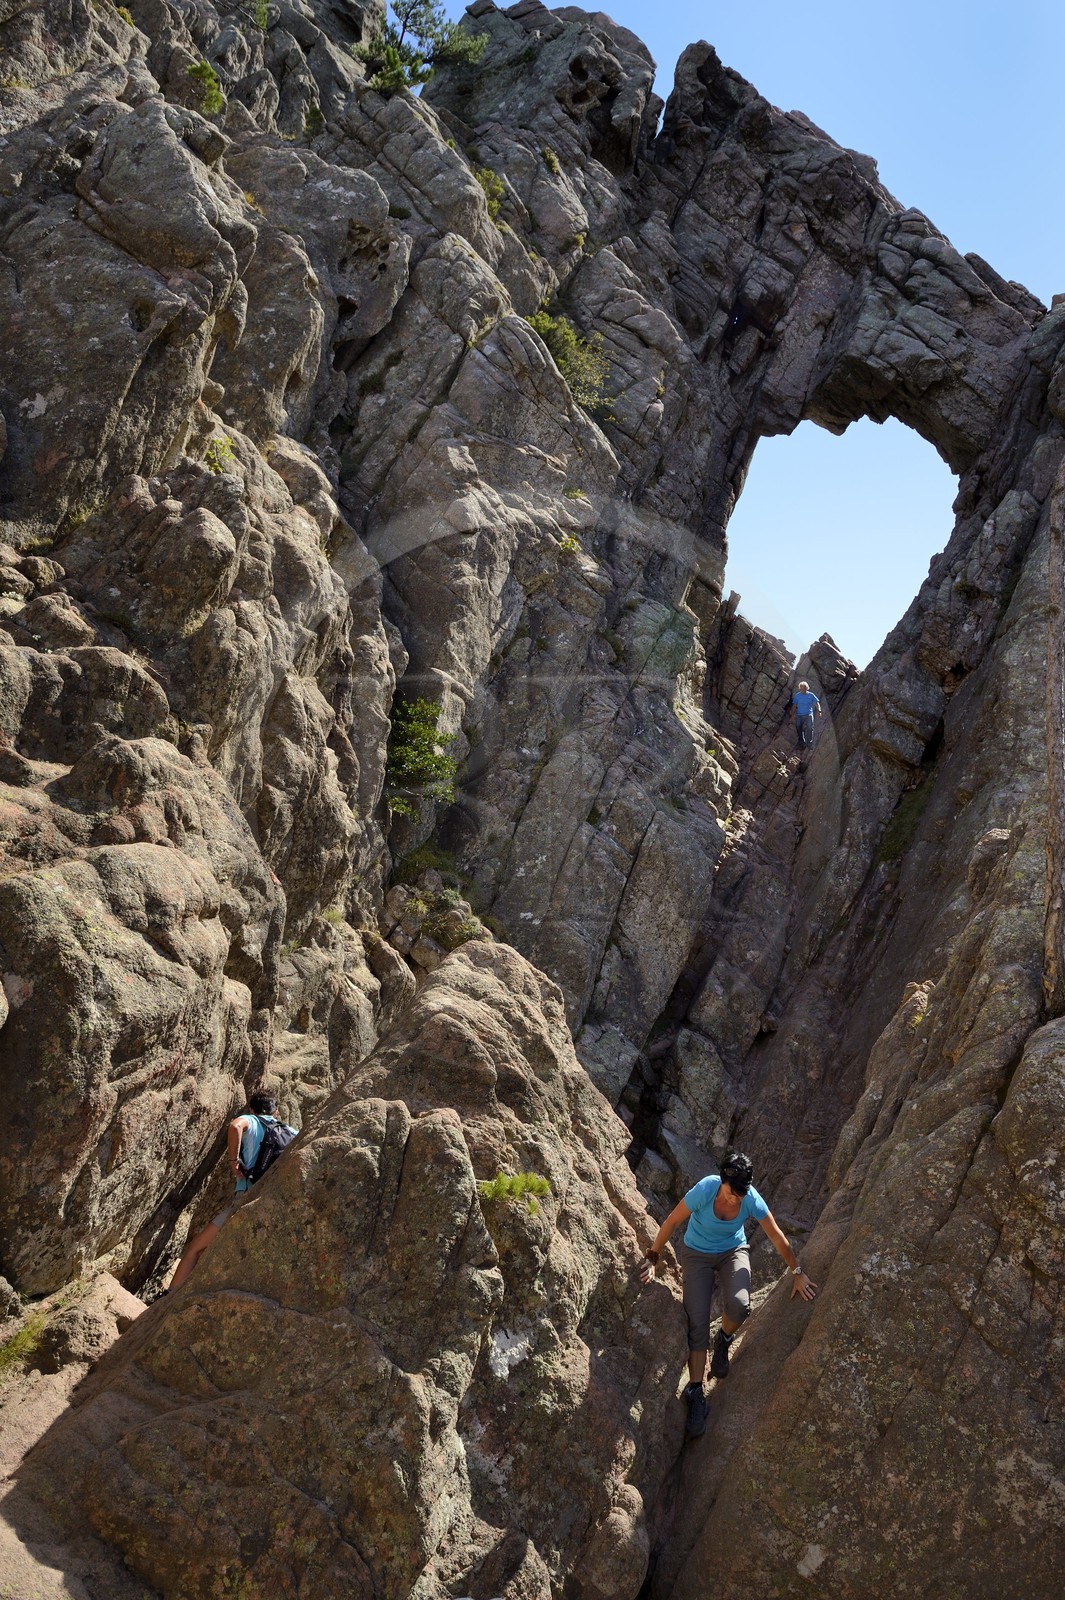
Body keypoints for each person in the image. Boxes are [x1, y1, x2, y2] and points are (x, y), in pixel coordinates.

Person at [639, 1151, 817, 1437]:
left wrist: (797, 1273)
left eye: (741, 1193)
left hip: (733, 1251)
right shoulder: (706, 1189)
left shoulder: (750, 1198)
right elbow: (673, 1221)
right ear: (722, 1180)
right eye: (733, 1192)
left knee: (739, 1306)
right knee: (696, 1322)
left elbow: (776, 1235)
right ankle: (696, 1392)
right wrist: (652, 1257)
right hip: (697, 1254)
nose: (736, 1198)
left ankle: (723, 1339)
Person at [168, 1092, 283, 1291]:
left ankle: (167, 1297)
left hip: (244, 1198)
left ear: (252, 1109)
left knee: (195, 1250)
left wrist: (233, 1161)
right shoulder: (289, 1131)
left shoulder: (251, 1120)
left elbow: (235, 1126)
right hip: (271, 1201)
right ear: (276, 1111)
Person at [791, 679, 821, 749]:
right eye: (801, 688)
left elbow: (817, 703)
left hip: (808, 715)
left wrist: (819, 710)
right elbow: (794, 705)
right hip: (799, 715)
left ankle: (809, 744)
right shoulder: (797, 696)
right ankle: (802, 742)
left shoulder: (811, 695)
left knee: (810, 728)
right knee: (798, 727)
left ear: (807, 688)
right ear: (800, 688)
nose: (802, 689)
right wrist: (792, 715)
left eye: (804, 688)